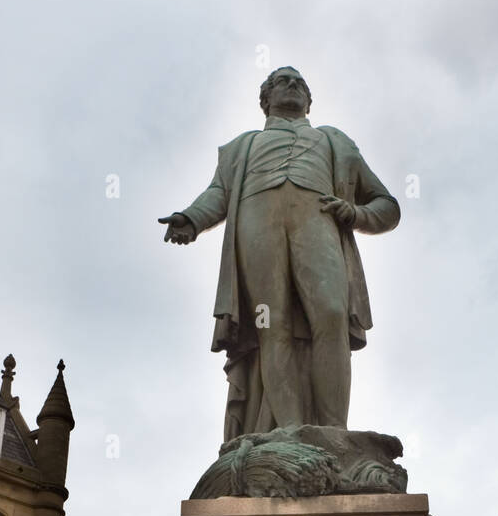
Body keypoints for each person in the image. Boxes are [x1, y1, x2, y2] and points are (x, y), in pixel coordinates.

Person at [159, 66, 400, 439]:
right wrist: (190, 218)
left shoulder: (334, 140)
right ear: (265, 99)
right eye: (282, 81)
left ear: (308, 100)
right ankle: (290, 432)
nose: (291, 85)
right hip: (257, 224)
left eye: (299, 82)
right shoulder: (242, 147)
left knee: (332, 314)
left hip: (317, 218)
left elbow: (387, 206)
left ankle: (334, 432)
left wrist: (355, 213)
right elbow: (218, 194)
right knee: (271, 325)